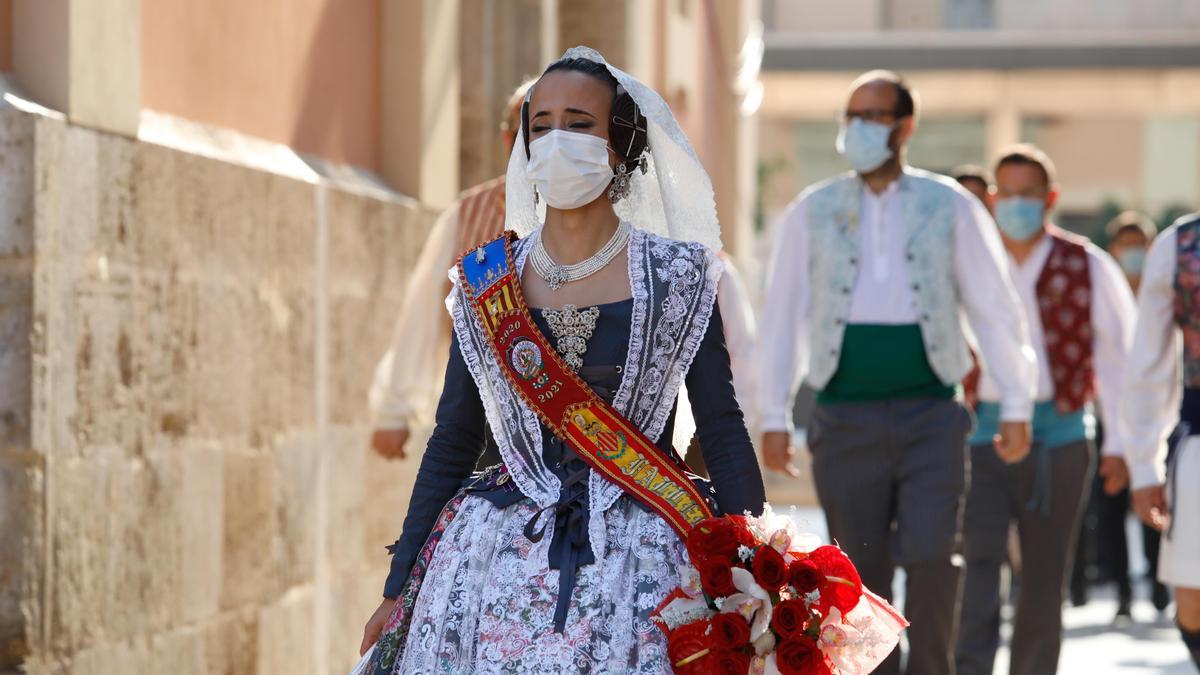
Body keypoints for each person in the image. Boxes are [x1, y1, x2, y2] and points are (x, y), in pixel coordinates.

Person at [356, 47, 766, 674]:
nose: (555, 141)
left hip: (644, 564)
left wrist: (756, 566)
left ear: (621, 143)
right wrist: (398, 588)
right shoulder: (485, 283)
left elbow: (722, 427)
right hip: (489, 560)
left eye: (579, 124)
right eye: (539, 126)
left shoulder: (679, 276)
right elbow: (453, 440)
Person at [757, 70, 1036, 675]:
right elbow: (780, 316)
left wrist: (1015, 402)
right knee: (859, 571)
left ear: (904, 127)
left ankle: (933, 667)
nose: (855, 130)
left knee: (936, 554)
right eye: (849, 117)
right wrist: (773, 415)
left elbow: (995, 306)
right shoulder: (813, 210)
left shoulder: (950, 205)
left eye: (871, 117)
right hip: (843, 415)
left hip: (932, 414)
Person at [955, 144, 1136, 675]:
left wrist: (1122, 445)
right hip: (976, 438)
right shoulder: (966, 264)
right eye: (1005, 194)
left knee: (1043, 577)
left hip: (1059, 441)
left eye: (1027, 195)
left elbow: (1119, 362)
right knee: (975, 569)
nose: (1015, 205)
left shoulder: (1088, 264)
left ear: (1050, 198)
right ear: (990, 198)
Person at [368, 81, 531, 461]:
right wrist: (394, 407)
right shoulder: (468, 213)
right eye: (533, 128)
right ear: (508, 140)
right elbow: (424, 307)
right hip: (484, 418)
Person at [1121, 211, 1200, 669]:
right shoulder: (1179, 244)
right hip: (1198, 439)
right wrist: (1145, 465)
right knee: (1191, 600)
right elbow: (1148, 365)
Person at [1088, 210, 1169, 618]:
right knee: (1110, 507)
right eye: (1127, 245)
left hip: (1157, 418)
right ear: (1115, 249)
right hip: (1111, 417)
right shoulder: (1104, 288)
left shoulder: (1164, 289)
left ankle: (1158, 585)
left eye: (1142, 245)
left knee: (1156, 497)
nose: (1135, 254)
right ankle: (1121, 588)